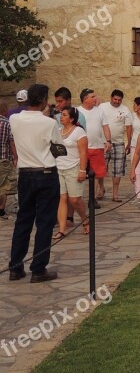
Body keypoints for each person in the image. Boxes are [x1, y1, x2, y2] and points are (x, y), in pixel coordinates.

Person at [7, 84, 63, 282]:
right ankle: (38, 268)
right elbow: (59, 148)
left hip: (25, 173)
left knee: (23, 220)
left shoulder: (14, 118)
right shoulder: (49, 123)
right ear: (43, 100)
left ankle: (15, 266)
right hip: (46, 172)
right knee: (45, 222)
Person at [52, 107, 89, 240]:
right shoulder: (58, 131)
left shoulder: (79, 132)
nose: (61, 117)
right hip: (59, 168)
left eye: (64, 115)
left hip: (74, 168)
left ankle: (85, 219)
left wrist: (82, 170)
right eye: (61, 115)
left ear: (72, 118)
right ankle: (62, 229)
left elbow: (83, 153)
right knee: (61, 198)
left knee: (74, 199)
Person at [77, 89, 112, 201]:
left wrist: (108, 140)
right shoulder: (77, 111)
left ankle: (92, 199)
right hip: (81, 148)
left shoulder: (100, 111)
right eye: (93, 97)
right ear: (85, 99)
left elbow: (105, 126)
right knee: (79, 172)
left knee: (96, 174)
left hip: (97, 147)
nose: (95, 98)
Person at [99, 90, 133, 202]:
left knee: (117, 170)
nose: (117, 102)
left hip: (118, 143)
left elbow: (128, 127)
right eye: (115, 99)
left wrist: (129, 142)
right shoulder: (102, 107)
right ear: (111, 98)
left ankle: (115, 194)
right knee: (100, 168)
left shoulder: (125, 110)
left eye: (119, 100)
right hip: (103, 143)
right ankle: (101, 188)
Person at [0, 101, 18, 221]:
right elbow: (11, 142)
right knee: (4, 185)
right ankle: (1, 210)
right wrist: (15, 156)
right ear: (5, 110)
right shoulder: (7, 123)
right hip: (4, 158)